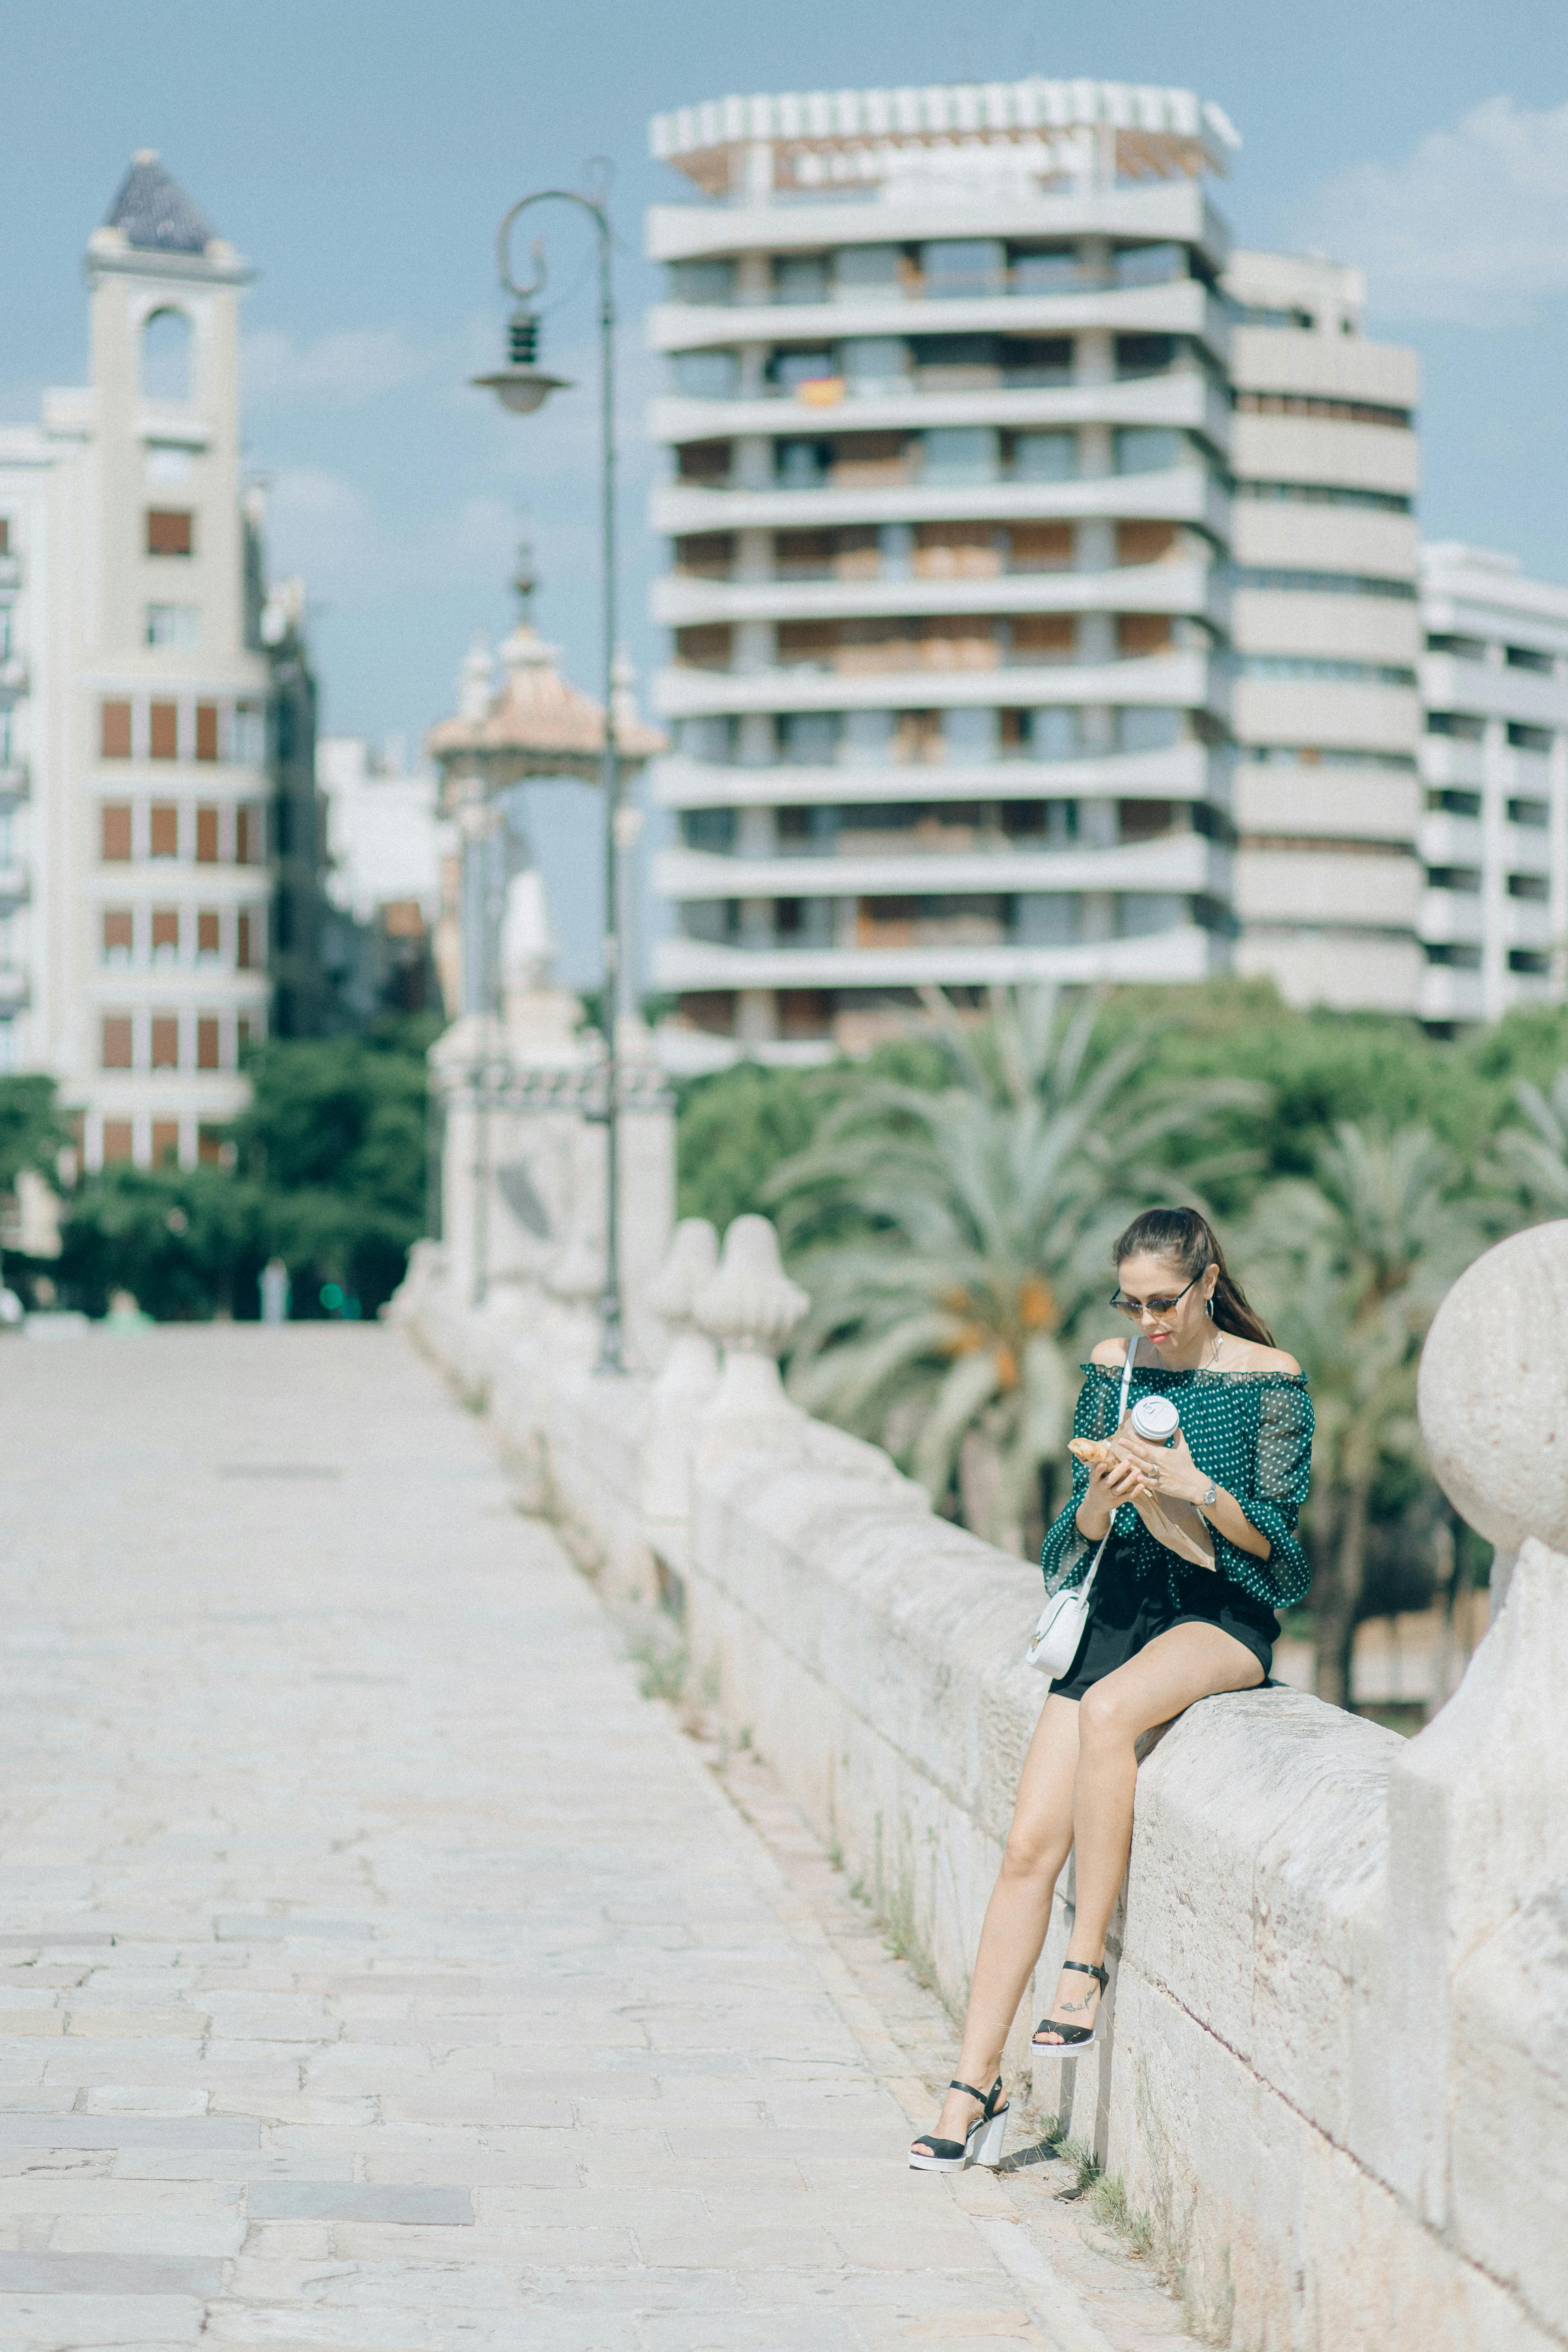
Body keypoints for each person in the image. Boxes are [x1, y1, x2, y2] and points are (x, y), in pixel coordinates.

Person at [909, 1206, 1313, 2173]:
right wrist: (1107, 1487)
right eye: (1129, 1302)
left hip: (1218, 1613)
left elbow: (1282, 1552)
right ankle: (971, 2088)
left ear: (1207, 1282)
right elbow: (1071, 1539)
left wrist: (1186, 1482)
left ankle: (1082, 1964)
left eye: (1162, 1302)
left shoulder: (1274, 1383)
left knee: (1109, 1712)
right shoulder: (1112, 1364)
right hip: (1119, 1604)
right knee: (1022, 1848)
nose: (1147, 1321)